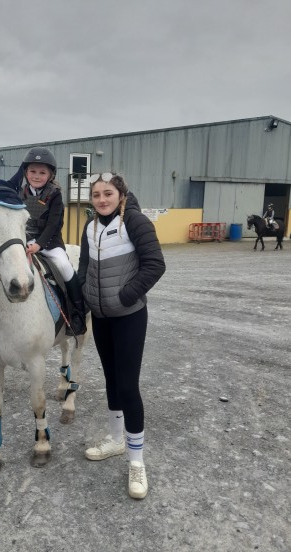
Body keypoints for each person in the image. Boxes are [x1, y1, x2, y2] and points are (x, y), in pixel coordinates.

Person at [77, 172, 166, 499]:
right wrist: (82, 298)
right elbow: (84, 269)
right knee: (112, 381)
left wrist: (127, 296)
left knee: (128, 387)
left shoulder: (136, 222)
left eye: (108, 193)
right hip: (101, 319)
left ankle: (136, 462)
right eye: (97, 194)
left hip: (129, 317)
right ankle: (116, 441)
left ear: (120, 194)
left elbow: (155, 265)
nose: (102, 199)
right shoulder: (90, 227)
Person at [10, 147, 86, 335]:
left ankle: (77, 313)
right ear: (26, 173)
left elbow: (53, 224)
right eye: (32, 171)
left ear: (50, 174)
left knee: (65, 267)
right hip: (25, 241)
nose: (37, 176)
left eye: (42, 172)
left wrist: (39, 244)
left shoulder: (55, 194)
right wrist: (26, 242)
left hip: (50, 243)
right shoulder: (19, 194)